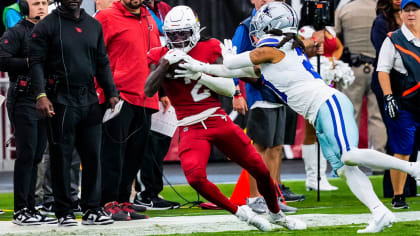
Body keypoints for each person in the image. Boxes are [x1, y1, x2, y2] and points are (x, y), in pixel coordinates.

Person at [180, 2, 420, 233]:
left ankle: (413, 167)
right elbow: (226, 69)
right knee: (345, 168)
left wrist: (223, 53)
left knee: (350, 154)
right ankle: (379, 212)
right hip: (318, 114)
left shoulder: (271, 49)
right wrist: (197, 67)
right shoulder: (276, 51)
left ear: (270, 25)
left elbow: (231, 62)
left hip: (328, 104)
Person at [145, 5, 306, 232]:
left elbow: (233, 86)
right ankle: (242, 213)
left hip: (216, 118)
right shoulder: (161, 54)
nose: (179, 40)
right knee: (195, 178)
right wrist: (164, 64)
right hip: (189, 125)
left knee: (259, 168)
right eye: (173, 35)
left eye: (183, 33)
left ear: (194, 30)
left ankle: (276, 214)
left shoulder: (210, 47)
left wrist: (201, 72)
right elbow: (148, 89)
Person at [30, 0, 118, 226]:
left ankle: (92, 209)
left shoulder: (93, 25)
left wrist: (111, 92)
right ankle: (64, 212)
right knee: (62, 159)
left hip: (89, 98)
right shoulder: (46, 25)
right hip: (60, 99)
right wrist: (41, 95)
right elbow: (36, 63)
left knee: (93, 158)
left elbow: (102, 61)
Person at [230, 0, 301, 214]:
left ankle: (272, 195)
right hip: (259, 93)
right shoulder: (246, 25)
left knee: (276, 147)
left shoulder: (281, 19)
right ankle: (254, 197)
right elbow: (232, 58)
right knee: (259, 147)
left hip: (281, 91)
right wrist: (236, 91)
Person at [95, 0, 160, 220]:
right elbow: (94, 55)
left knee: (135, 155)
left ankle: (124, 201)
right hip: (117, 97)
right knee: (112, 154)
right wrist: (101, 91)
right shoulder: (106, 17)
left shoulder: (150, 18)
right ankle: (107, 202)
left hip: (145, 98)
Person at [0, 0, 56, 225]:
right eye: (36, 3)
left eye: (44, 3)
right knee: (27, 154)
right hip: (22, 97)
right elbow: (2, 60)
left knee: (36, 156)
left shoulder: (50, 32)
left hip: (46, 97)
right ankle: (20, 209)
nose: (41, 7)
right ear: (25, 8)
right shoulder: (15, 32)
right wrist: (31, 62)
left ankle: (31, 208)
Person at [132, 0, 180, 210]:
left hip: (168, 83)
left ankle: (153, 190)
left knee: (160, 141)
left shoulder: (163, 9)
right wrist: (159, 90)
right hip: (149, 85)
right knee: (148, 142)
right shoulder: (135, 12)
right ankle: (145, 193)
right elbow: (147, 54)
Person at [376, 0, 420, 210]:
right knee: (402, 150)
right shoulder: (393, 39)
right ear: (401, 13)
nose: (411, 14)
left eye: (415, 10)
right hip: (405, 103)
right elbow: (382, 70)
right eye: (407, 10)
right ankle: (398, 195)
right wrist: (389, 97)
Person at [335, 0, 388, 154]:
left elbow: (334, 35)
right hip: (377, 68)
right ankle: (379, 159)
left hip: (352, 70)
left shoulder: (345, 10)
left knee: (350, 114)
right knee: (377, 116)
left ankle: (349, 157)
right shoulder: (380, 10)